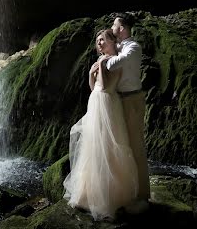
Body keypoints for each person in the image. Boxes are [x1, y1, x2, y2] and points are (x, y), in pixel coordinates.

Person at [63, 29, 139, 221]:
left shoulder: (114, 61)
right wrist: (91, 72)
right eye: (97, 41)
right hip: (95, 102)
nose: (99, 44)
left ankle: (109, 196)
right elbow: (93, 86)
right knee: (93, 145)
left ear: (112, 41)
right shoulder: (102, 61)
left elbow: (105, 86)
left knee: (107, 145)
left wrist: (102, 65)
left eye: (102, 40)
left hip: (107, 103)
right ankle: (88, 193)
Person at [106, 13, 150, 214]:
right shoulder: (119, 47)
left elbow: (112, 64)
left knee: (136, 145)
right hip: (119, 100)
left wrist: (106, 56)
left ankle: (142, 194)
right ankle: (125, 191)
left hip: (132, 99)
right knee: (121, 146)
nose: (111, 28)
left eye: (114, 25)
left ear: (122, 28)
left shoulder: (133, 47)